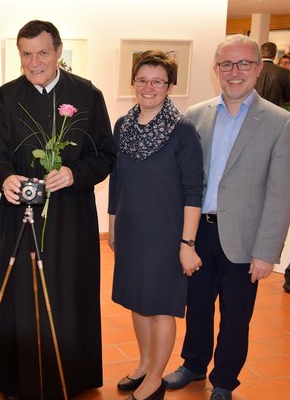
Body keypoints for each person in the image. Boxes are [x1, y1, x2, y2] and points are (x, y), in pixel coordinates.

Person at [0, 20, 116, 399]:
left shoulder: (88, 95)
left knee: (67, 290)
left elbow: (105, 155)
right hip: (19, 214)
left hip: (70, 215)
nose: (34, 61)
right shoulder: (7, 95)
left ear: (58, 51)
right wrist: (4, 177)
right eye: (26, 54)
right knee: (19, 292)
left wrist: (75, 173)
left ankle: (70, 376)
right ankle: (15, 378)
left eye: (42, 52)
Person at [163, 35, 290, 400]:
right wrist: (181, 237)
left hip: (246, 240)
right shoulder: (196, 115)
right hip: (199, 233)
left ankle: (224, 381)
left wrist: (267, 252)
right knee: (198, 306)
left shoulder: (280, 123)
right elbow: (184, 181)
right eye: (227, 64)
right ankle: (193, 364)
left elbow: (281, 193)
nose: (235, 72)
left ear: (257, 68)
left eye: (244, 64)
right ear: (216, 69)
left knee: (236, 317)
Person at [108, 50, 203, 400]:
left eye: (157, 81)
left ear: (170, 86)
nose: (149, 87)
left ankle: (156, 379)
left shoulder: (183, 131)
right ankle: (145, 363)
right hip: (132, 229)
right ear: (134, 83)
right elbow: (117, 178)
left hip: (166, 234)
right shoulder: (124, 125)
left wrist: (187, 243)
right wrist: (114, 224)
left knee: (161, 305)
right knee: (137, 299)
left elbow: (194, 190)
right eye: (142, 80)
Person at [254, 42, 290, 106]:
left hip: (253, 110)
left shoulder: (252, 69)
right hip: (275, 111)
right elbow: (288, 97)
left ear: (260, 53)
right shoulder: (284, 72)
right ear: (274, 55)